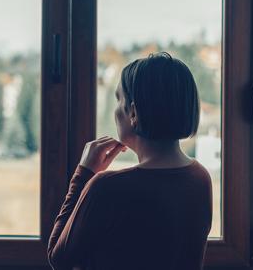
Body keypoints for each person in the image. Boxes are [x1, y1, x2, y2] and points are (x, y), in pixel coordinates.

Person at [48, 52, 213, 270]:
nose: (116, 110)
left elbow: (58, 258)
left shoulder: (108, 187)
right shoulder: (200, 178)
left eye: (119, 99)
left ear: (133, 113)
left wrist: (84, 173)